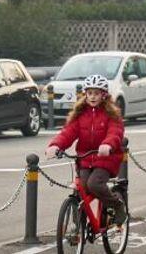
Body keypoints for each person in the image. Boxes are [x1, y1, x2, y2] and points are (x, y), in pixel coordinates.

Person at [46, 74, 128, 225]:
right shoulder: (80, 113)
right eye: (89, 93)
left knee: (94, 184)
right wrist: (55, 145)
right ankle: (81, 225)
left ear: (104, 95)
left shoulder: (111, 114)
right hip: (85, 159)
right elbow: (68, 132)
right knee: (82, 188)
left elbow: (115, 132)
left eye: (96, 93)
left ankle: (117, 205)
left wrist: (108, 144)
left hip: (105, 159)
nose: (92, 97)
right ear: (85, 94)